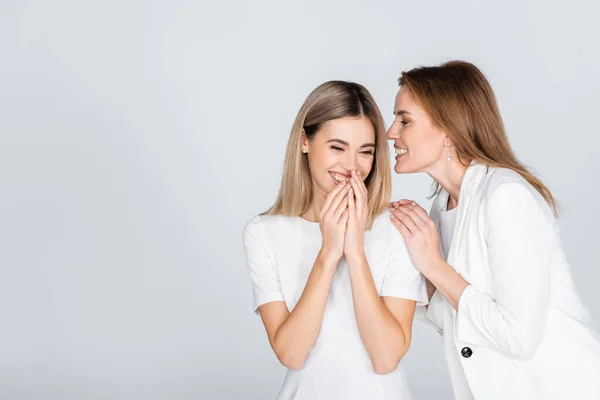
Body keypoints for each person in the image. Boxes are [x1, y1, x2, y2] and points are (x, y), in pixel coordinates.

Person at [386, 60, 600, 399]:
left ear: (446, 130)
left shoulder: (506, 196)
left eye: (404, 120)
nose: (390, 133)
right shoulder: (442, 208)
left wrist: (432, 265)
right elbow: (456, 318)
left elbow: (518, 337)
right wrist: (404, 260)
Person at [243, 81, 427, 399]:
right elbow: (291, 354)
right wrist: (328, 254)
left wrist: (355, 254)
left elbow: (386, 359)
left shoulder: (398, 227)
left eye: (365, 152)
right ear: (304, 141)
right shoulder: (263, 233)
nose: (351, 166)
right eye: (337, 148)